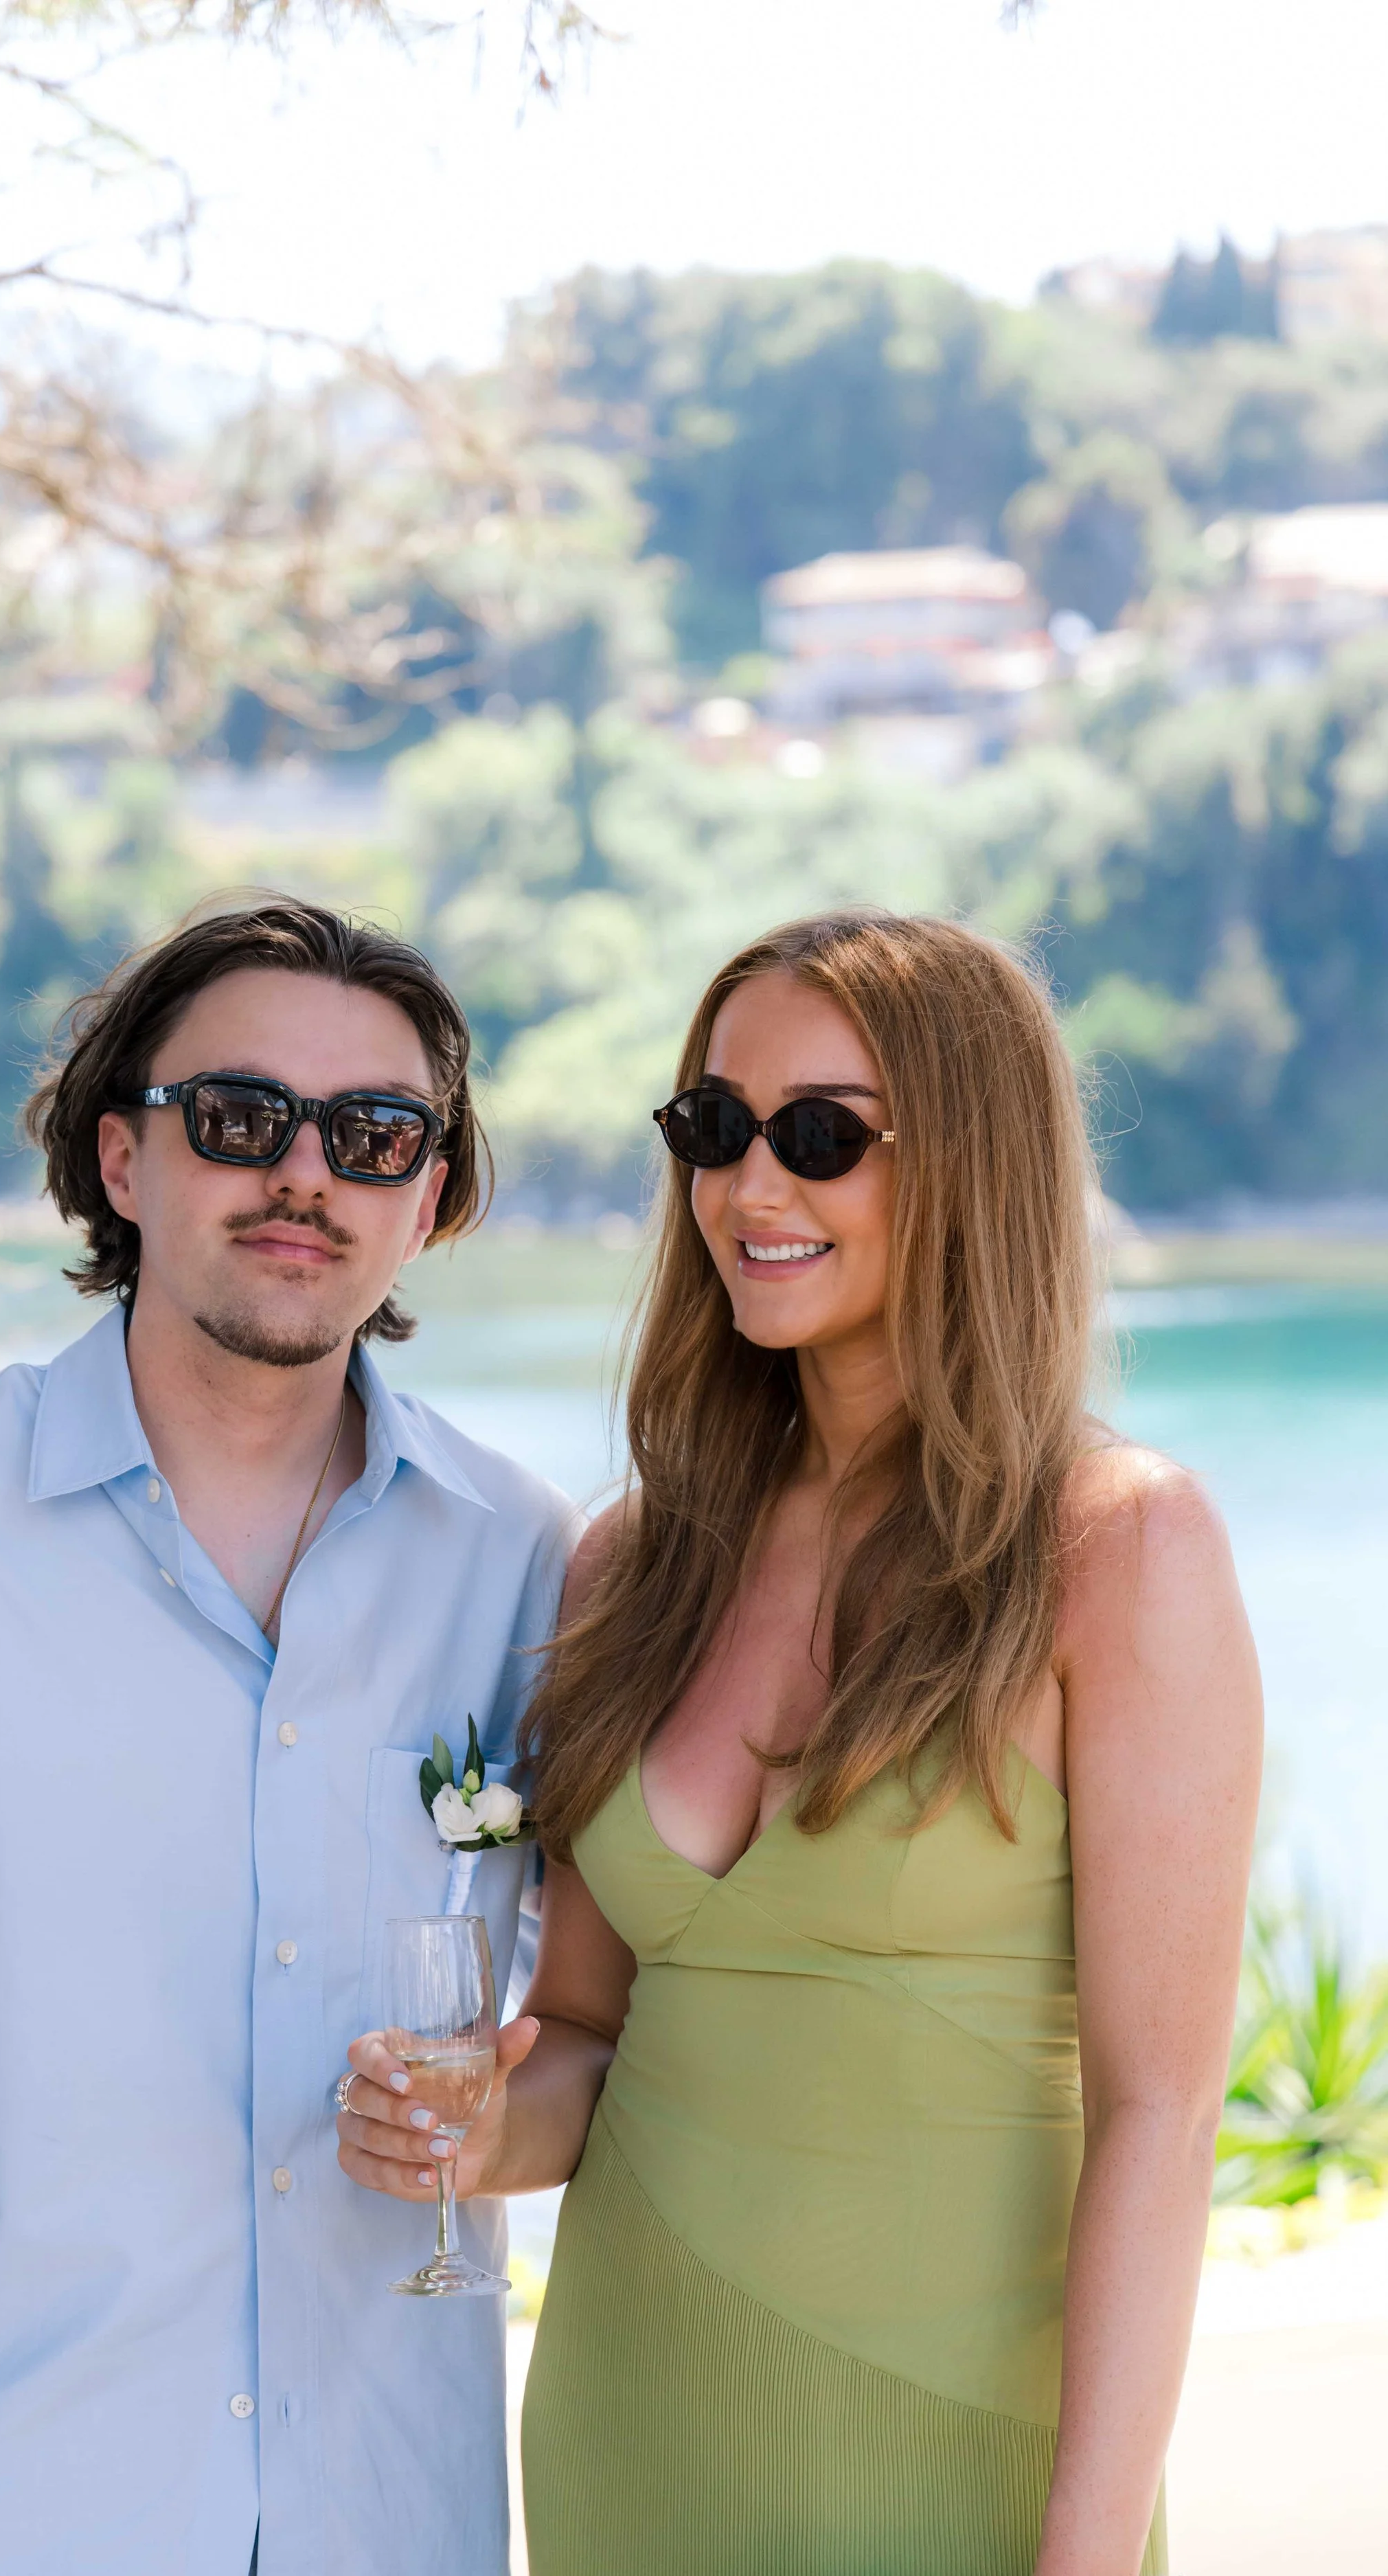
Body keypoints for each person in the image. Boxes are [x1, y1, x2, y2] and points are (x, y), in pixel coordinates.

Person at [336, 910, 1262, 2576]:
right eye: (710, 1128)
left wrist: (1084, 2548)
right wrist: (474, 2126)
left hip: (959, 2462)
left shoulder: (1118, 1553)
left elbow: (1160, 2112)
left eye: (820, 1136)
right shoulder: (630, 1564)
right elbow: (588, 2045)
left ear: (971, 1162)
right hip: (634, 2432)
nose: (747, 1190)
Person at [0, 898, 568, 2576]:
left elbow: (611, 2018)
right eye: (237, 1120)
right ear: (123, 1159)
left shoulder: (519, 1561)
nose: (306, 1176)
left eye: (375, 1137)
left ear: (426, 1201)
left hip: (388, 2524)